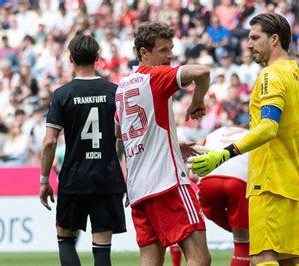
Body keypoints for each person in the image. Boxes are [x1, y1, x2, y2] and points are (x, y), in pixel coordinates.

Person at [191, 13, 299, 266]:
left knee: (261, 256)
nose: (248, 45)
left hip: (269, 182)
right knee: (289, 258)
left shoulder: (271, 76)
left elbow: (268, 128)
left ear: (274, 39)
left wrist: (223, 154)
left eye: (254, 37)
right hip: (295, 183)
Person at [114, 22, 211, 266]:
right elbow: (202, 72)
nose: (170, 55)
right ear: (144, 53)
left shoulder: (123, 86)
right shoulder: (155, 76)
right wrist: (197, 100)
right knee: (200, 257)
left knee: (150, 261)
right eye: (163, 50)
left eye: (171, 49)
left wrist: (170, 144)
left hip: (138, 188)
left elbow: (119, 130)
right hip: (167, 183)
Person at [39, 34, 126, 266]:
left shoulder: (62, 95)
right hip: (107, 177)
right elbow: (124, 138)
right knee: (102, 250)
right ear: (98, 58)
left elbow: (49, 142)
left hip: (74, 178)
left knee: (66, 240)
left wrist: (44, 179)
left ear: (70, 59)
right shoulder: (115, 92)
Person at [171, 126, 251, 266]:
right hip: (239, 182)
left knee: (181, 229)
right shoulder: (252, 136)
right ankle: (246, 236)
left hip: (209, 181)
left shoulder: (214, 133)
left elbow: (193, 174)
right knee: (243, 243)